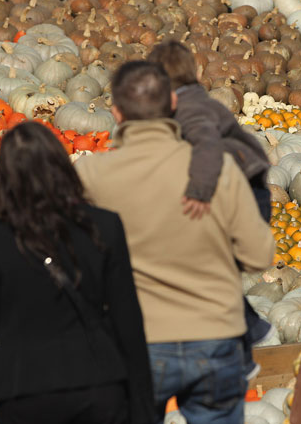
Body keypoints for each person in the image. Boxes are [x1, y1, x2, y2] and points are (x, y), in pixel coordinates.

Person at [75, 61, 275, 424]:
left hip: (136, 341)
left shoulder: (91, 175)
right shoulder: (220, 170)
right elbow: (259, 254)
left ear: (116, 112)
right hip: (216, 336)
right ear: (171, 103)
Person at [0, 122, 155, 424]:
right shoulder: (105, 226)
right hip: (98, 382)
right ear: (61, 167)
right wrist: (143, 408)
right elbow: (129, 322)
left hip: (24, 390)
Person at [147, 41, 274, 379]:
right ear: (198, 72)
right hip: (240, 193)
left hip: (244, 196)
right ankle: (253, 332)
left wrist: (198, 193)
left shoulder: (192, 108)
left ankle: (244, 348)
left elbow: (206, 146)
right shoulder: (185, 106)